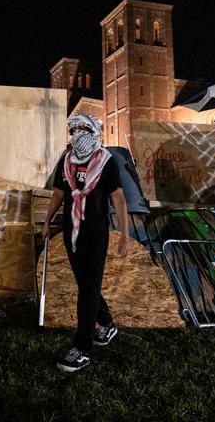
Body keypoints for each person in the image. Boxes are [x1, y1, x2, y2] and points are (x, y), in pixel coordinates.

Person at [42, 114, 129, 372]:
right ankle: (108, 324)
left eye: (83, 128)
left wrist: (124, 234)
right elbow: (59, 192)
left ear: (93, 131)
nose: (77, 132)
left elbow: (119, 198)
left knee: (88, 289)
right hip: (71, 229)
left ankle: (81, 348)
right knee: (86, 284)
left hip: (94, 232)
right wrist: (47, 221)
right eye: (74, 128)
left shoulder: (105, 162)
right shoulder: (67, 160)